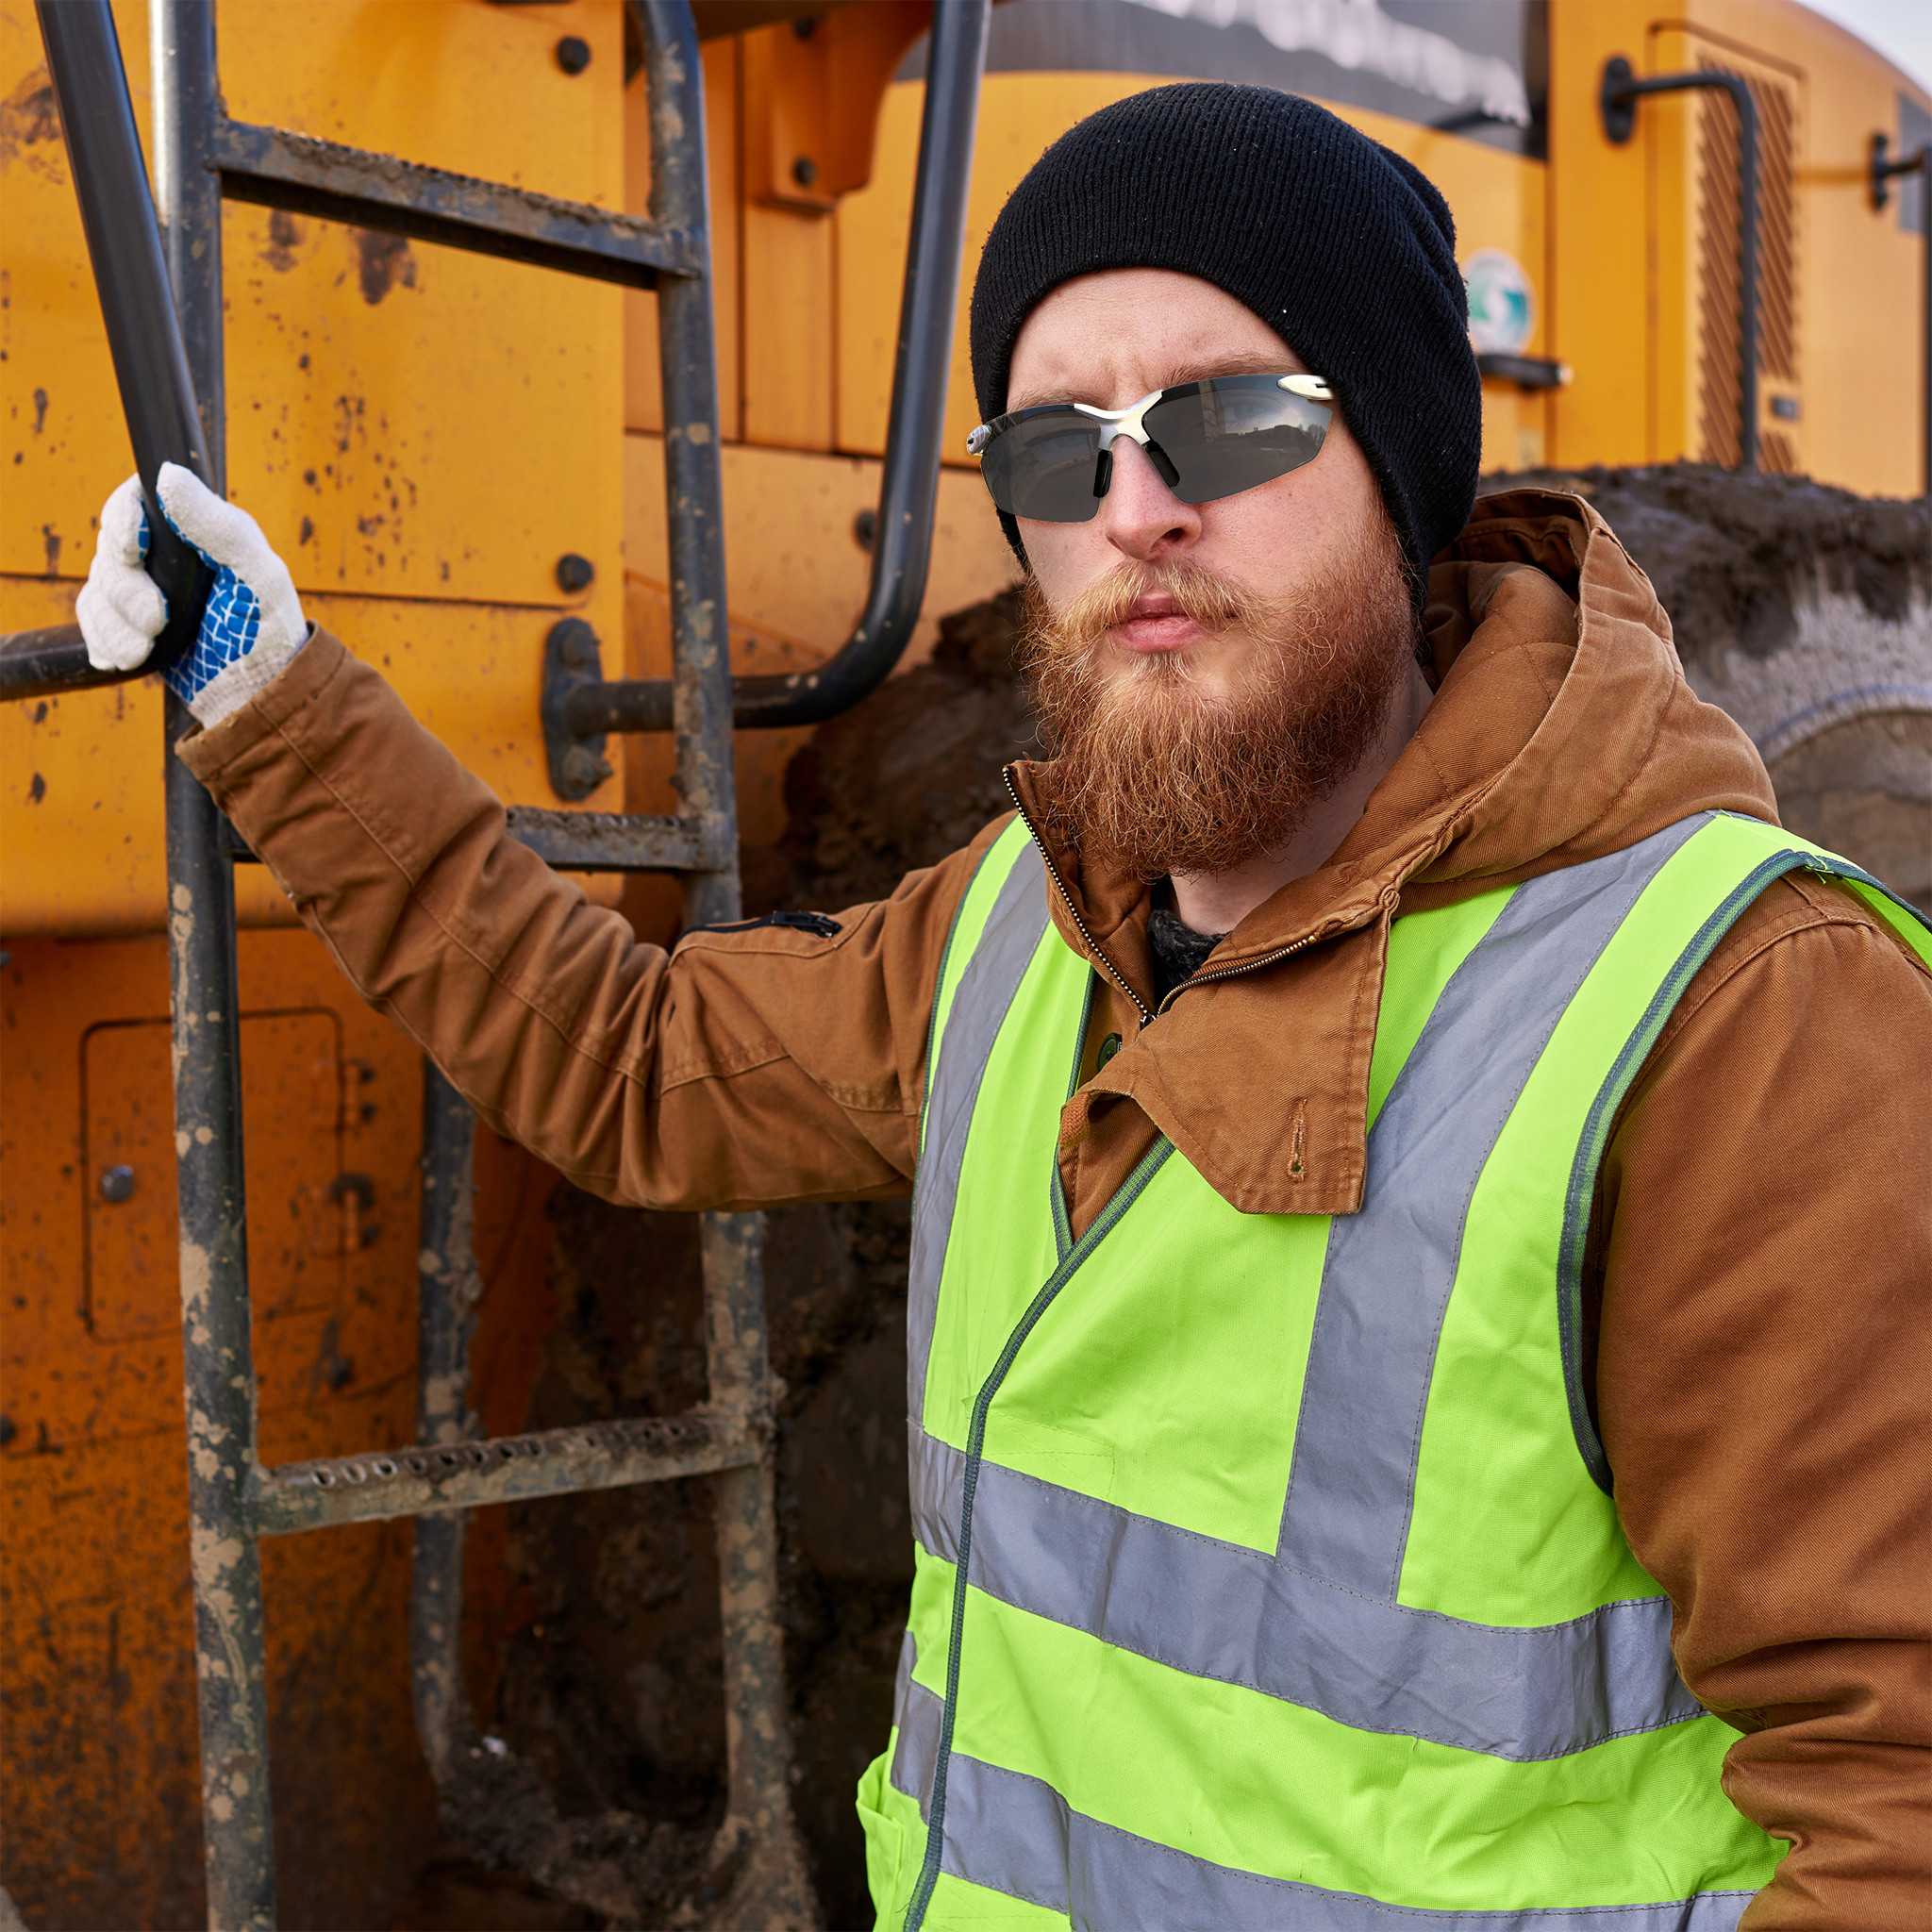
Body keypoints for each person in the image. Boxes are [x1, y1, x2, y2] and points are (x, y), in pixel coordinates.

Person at [78, 82, 1932, 1932]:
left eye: (1227, 422)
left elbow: (1897, 1810)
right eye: (1059, 453)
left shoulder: (1736, 1019)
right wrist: (270, 694)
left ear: (1401, 459)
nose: (1137, 511)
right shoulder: (1014, 934)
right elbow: (630, 1063)